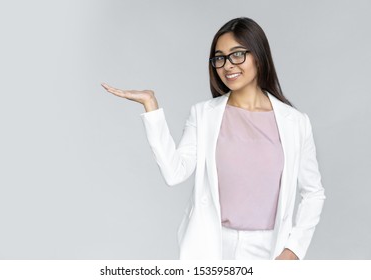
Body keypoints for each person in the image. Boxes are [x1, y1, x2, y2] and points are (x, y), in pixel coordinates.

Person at [101, 17, 325, 260]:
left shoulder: (295, 122)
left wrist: (293, 250)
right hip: (213, 245)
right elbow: (174, 172)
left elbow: (313, 193)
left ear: (259, 56)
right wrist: (151, 107)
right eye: (220, 58)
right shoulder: (203, 114)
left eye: (237, 55)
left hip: (270, 249)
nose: (228, 65)